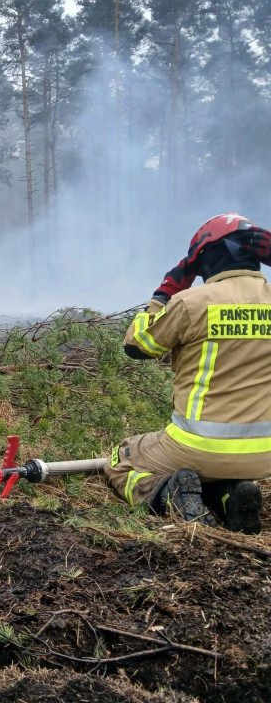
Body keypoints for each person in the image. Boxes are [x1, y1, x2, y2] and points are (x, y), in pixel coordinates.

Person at [105, 213, 271, 534]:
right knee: (214, 470)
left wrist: (163, 294)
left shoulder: (192, 302)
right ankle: (229, 495)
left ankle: (168, 496)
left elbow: (136, 345)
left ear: (206, 259)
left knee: (119, 459)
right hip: (265, 455)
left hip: (196, 447)